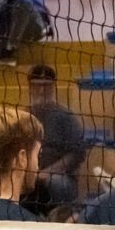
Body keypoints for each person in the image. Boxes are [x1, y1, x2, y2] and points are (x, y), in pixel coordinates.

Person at [25, 64, 86, 211]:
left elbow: (77, 153)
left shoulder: (66, 116)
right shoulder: (22, 116)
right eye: (37, 86)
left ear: (53, 86)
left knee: (58, 184)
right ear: (30, 87)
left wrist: (49, 172)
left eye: (46, 86)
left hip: (59, 175)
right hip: (27, 172)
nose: (41, 91)